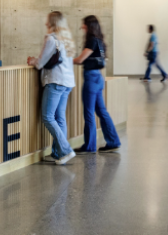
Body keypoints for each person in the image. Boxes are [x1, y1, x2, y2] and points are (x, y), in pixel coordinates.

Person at [27, 11, 77, 164]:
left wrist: (32, 60)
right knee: (59, 117)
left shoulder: (51, 39)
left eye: (47, 21)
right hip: (68, 82)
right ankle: (58, 153)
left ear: (52, 23)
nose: (45, 24)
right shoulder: (68, 40)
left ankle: (66, 150)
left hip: (55, 81)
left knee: (48, 117)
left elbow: (40, 63)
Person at [73, 15, 122, 153]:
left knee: (89, 113)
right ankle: (113, 141)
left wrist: (65, 60)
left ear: (89, 26)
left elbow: (80, 60)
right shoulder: (100, 41)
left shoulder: (91, 41)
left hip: (91, 78)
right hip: (98, 78)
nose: (82, 27)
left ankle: (89, 146)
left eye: (83, 24)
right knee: (102, 112)